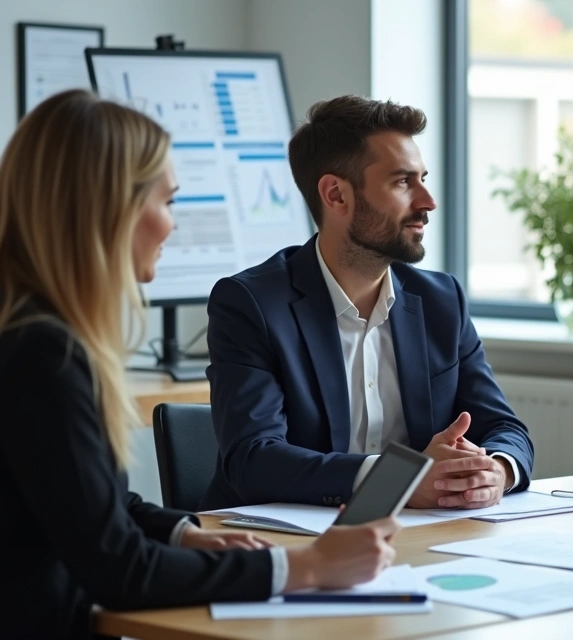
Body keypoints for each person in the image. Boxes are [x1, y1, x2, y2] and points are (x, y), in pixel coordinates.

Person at [0, 90, 403, 639]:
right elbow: (117, 568)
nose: (173, 227)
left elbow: (99, 508)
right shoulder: (43, 356)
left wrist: (182, 533)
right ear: (108, 206)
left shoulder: (33, 335)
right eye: (166, 202)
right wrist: (303, 567)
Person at [201, 96, 534, 511]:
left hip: (414, 537)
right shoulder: (251, 304)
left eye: (423, 179)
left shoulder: (441, 300)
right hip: (282, 547)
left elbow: (504, 428)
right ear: (336, 195)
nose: (427, 201)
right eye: (401, 182)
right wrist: (400, 479)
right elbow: (253, 461)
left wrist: (496, 471)